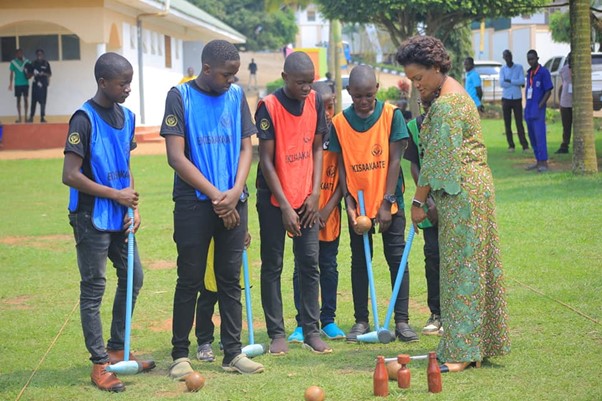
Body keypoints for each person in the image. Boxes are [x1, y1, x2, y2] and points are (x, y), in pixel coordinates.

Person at [396, 35, 510, 372]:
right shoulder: (453, 89)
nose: (416, 86)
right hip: (472, 188)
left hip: (462, 191)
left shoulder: (445, 106)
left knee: (461, 269)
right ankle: (478, 343)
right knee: (475, 265)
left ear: (435, 67)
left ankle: (462, 352)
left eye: (419, 78)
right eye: (412, 80)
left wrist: (418, 202)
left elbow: (437, 162)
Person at [161, 39, 264, 378]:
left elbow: (247, 149)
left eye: (234, 75)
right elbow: (176, 157)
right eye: (225, 75)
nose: (231, 81)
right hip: (194, 203)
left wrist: (234, 192)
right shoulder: (180, 97)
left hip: (234, 199)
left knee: (229, 279)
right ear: (206, 70)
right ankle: (180, 355)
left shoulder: (235, 98)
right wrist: (218, 198)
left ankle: (232, 353)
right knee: (189, 278)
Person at [62, 52, 155, 392]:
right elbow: (69, 175)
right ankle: (100, 364)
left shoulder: (127, 116)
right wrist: (114, 196)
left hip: (121, 215)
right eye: (122, 83)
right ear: (103, 82)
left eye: (130, 81)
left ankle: (117, 348)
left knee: (134, 277)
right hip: (90, 217)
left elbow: (123, 162)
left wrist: (133, 203)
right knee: (94, 288)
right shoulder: (83, 119)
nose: (129, 88)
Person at [329, 64, 418, 343]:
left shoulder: (393, 116)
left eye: (369, 95)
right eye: (358, 96)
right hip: (359, 204)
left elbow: (394, 160)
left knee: (397, 258)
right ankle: (360, 321)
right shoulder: (339, 123)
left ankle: (402, 321)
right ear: (348, 93)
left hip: (388, 200)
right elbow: (342, 165)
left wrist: (387, 201)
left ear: (377, 90)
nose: (364, 101)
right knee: (360, 261)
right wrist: (349, 204)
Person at [255, 51, 332, 356]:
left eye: (309, 82)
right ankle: (276, 333)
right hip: (275, 198)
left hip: (306, 196)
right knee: (273, 265)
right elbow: (266, 160)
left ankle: (311, 330)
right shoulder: (268, 107)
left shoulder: (314, 101)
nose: (305, 88)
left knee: (309, 264)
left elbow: (317, 150)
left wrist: (314, 194)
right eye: (300, 82)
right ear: (285, 77)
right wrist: (285, 206)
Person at [288, 81, 346, 343]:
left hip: (328, 217)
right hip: (303, 213)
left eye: (330, 106)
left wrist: (327, 208)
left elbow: (344, 178)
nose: (326, 113)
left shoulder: (339, 135)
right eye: (321, 107)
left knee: (328, 266)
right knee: (302, 267)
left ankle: (329, 319)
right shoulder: (301, 134)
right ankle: (302, 323)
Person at [404, 100, 441, 336]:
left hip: (454, 202)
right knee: (433, 256)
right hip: (428, 203)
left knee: (456, 258)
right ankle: (437, 313)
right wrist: (427, 202)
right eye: (424, 104)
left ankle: (457, 314)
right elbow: (415, 166)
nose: (428, 108)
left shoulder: (449, 126)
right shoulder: (414, 127)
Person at [195, 232, 251, 363]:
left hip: (230, 240)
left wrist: (244, 230)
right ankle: (204, 342)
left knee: (231, 296)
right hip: (208, 245)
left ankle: (229, 341)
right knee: (207, 296)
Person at [525, 49, 553, 172]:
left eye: (532, 59)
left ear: (537, 58)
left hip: (538, 110)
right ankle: (537, 160)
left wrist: (541, 105)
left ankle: (544, 162)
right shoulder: (529, 73)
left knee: (540, 136)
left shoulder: (543, 72)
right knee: (532, 137)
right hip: (529, 109)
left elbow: (548, 91)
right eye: (529, 59)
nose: (531, 61)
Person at [500, 49, 529, 152]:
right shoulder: (503, 69)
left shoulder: (519, 67)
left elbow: (522, 81)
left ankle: (524, 145)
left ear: (511, 56)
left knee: (519, 122)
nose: (507, 58)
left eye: (509, 56)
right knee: (507, 123)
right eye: (505, 56)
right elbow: (502, 84)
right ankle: (511, 145)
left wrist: (510, 81)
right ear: (504, 58)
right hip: (506, 98)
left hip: (516, 98)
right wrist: (514, 83)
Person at [28, 49, 52, 123]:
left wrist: (43, 73)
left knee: (43, 102)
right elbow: (29, 75)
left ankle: (42, 117)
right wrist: (33, 74)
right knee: (33, 101)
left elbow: (49, 74)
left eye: (41, 54)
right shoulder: (33, 63)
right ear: (36, 55)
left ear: (43, 55)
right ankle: (31, 117)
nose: (39, 55)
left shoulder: (46, 63)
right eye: (38, 54)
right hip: (35, 85)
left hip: (43, 85)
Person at [556, 52, 572, 154]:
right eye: (569, 59)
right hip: (565, 101)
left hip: (577, 103)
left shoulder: (581, 69)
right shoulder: (564, 69)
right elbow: (563, 83)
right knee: (566, 125)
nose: (570, 61)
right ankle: (565, 145)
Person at [8, 48, 31, 123]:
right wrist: (10, 84)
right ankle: (20, 117)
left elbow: (31, 70)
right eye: (18, 53)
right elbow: (11, 73)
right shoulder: (13, 62)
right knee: (18, 100)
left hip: (25, 83)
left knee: (25, 99)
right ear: (16, 54)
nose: (20, 54)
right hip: (17, 84)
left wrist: (30, 75)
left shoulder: (26, 62)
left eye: (21, 53)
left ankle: (26, 117)